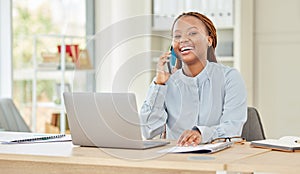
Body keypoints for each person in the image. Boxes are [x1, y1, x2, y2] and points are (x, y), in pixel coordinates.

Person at [140, 12, 247, 146]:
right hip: (177, 160)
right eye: (177, 36)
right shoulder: (166, 82)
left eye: (192, 33)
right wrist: (159, 84)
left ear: (209, 40)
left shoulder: (229, 77)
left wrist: (201, 134)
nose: (183, 39)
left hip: (218, 160)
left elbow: (233, 128)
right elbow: (149, 131)